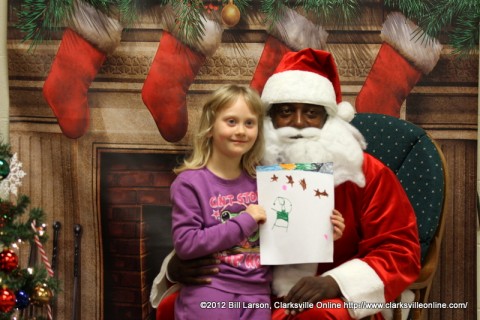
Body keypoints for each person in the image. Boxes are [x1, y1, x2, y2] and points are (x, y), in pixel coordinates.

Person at [151, 49, 421, 320]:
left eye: (312, 113)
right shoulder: (248, 167)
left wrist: (336, 282)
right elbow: (212, 224)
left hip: (332, 296)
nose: (299, 123)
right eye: (287, 112)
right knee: (173, 304)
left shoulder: (365, 172)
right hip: (250, 286)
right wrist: (177, 267)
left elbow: (400, 251)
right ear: (269, 118)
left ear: (328, 118)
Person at [167, 83, 346, 320]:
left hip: (257, 295)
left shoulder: (265, 181)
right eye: (231, 121)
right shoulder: (190, 183)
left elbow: (282, 235)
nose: (241, 130)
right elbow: (187, 244)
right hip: (211, 291)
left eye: (249, 123)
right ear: (210, 128)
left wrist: (321, 232)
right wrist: (244, 222)